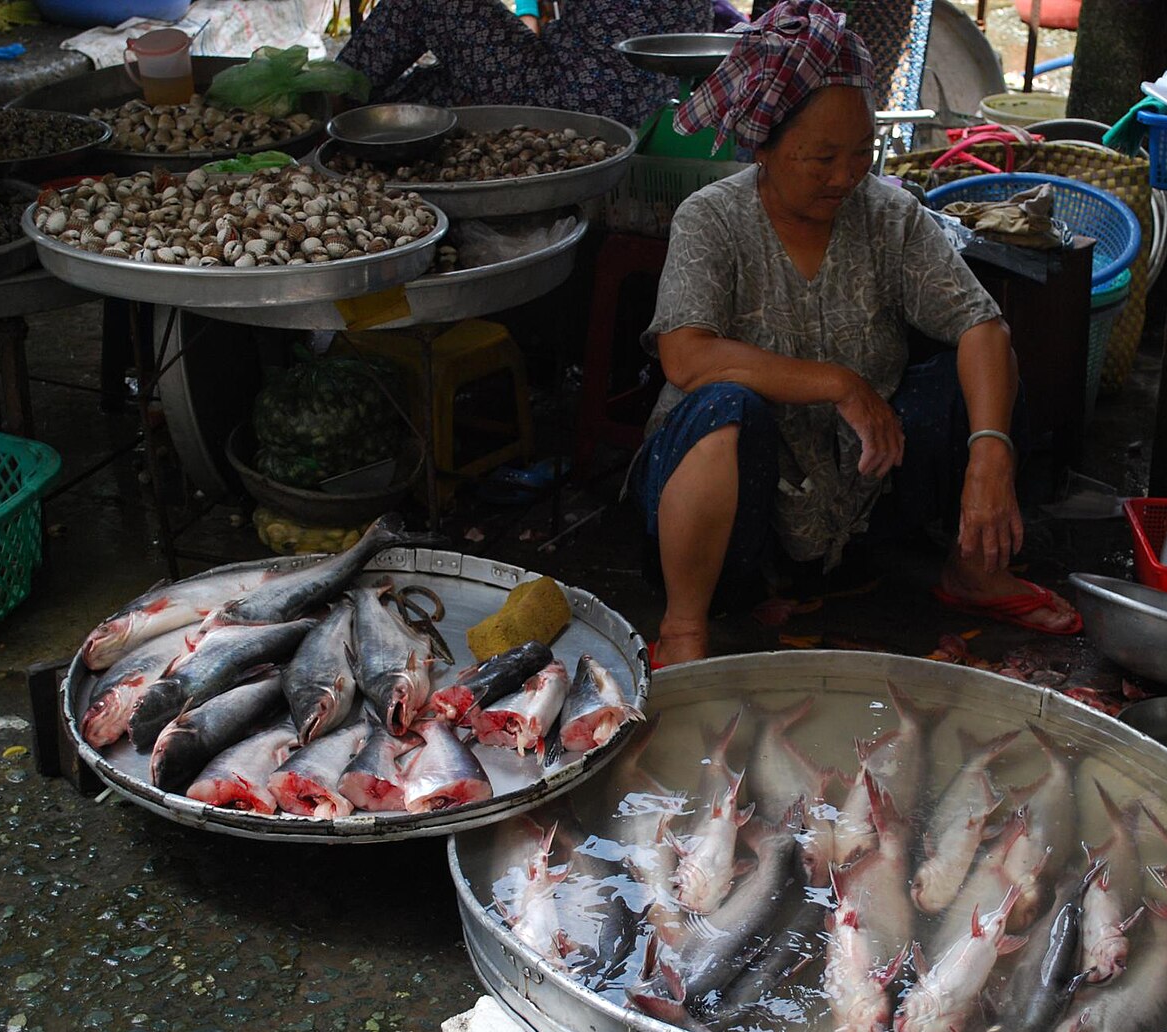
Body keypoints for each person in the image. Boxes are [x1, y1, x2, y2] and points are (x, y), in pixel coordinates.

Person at [632, 0, 1083, 667]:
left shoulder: (887, 214)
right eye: (821, 159)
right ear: (765, 147)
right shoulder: (712, 219)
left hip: (857, 499)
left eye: (860, 155)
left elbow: (980, 325)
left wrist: (991, 454)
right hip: (734, 519)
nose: (845, 176)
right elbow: (686, 356)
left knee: (976, 361)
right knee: (724, 407)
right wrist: (839, 384)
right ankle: (684, 627)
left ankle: (972, 573)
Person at [339, 0, 713, 128]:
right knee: (428, 89)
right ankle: (342, 115)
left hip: (579, 94)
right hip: (646, 94)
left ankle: (329, 102)